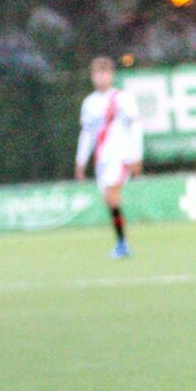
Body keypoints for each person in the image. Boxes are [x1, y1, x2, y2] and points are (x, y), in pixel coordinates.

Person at [75, 56, 143, 258]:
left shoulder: (122, 98)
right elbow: (87, 133)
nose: (101, 77)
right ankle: (121, 242)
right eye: (97, 73)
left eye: (105, 72)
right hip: (101, 160)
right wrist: (81, 161)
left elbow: (135, 126)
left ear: (111, 75)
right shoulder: (89, 103)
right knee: (109, 200)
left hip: (120, 157)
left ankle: (122, 244)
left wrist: (136, 156)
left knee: (112, 197)